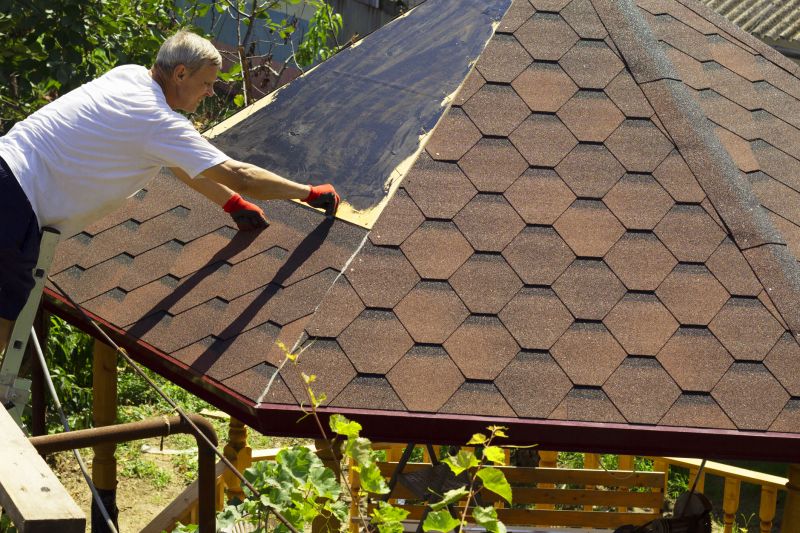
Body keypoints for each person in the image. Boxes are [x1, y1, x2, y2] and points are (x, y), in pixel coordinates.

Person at [0, 30, 340, 355]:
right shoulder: (160, 122)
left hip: (6, 167)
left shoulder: (128, 75)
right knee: (3, 311)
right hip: (15, 206)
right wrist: (307, 192)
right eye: (206, 83)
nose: (210, 92)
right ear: (180, 73)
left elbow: (176, 161)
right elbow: (242, 176)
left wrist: (230, 203)